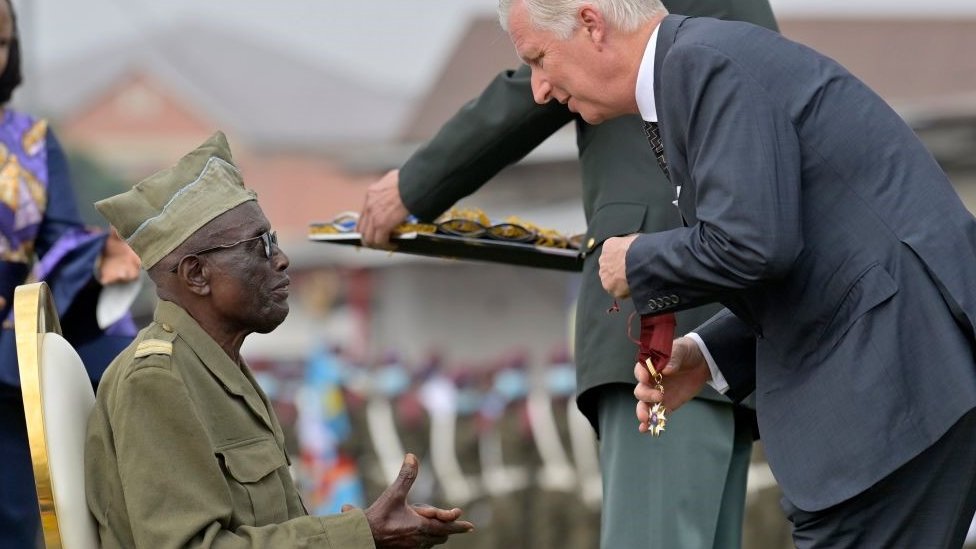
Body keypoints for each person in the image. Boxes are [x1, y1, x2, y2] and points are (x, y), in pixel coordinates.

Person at [497, 0, 976, 545]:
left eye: (538, 59)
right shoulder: (699, 64)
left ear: (590, 23)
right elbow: (807, 247)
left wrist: (638, 258)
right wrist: (708, 355)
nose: (538, 89)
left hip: (891, 390)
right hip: (906, 384)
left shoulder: (703, 66)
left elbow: (754, 244)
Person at [356, 0, 776, 546]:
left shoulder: (586, 30)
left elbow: (552, 63)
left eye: (537, 61)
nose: (539, 84)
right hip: (720, 312)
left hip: (661, 309)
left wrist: (412, 187)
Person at [87, 131, 474, 548]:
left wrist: (366, 533)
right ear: (197, 274)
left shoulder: (217, 367)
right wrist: (359, 535)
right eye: (259, 245)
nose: (281, 258)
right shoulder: (156, 380)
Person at [0, 0, 142, 545]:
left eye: (3, 42)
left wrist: (99, 258)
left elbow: (61, 245)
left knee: (13, 522)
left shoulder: (33, 143)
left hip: (3, 365)